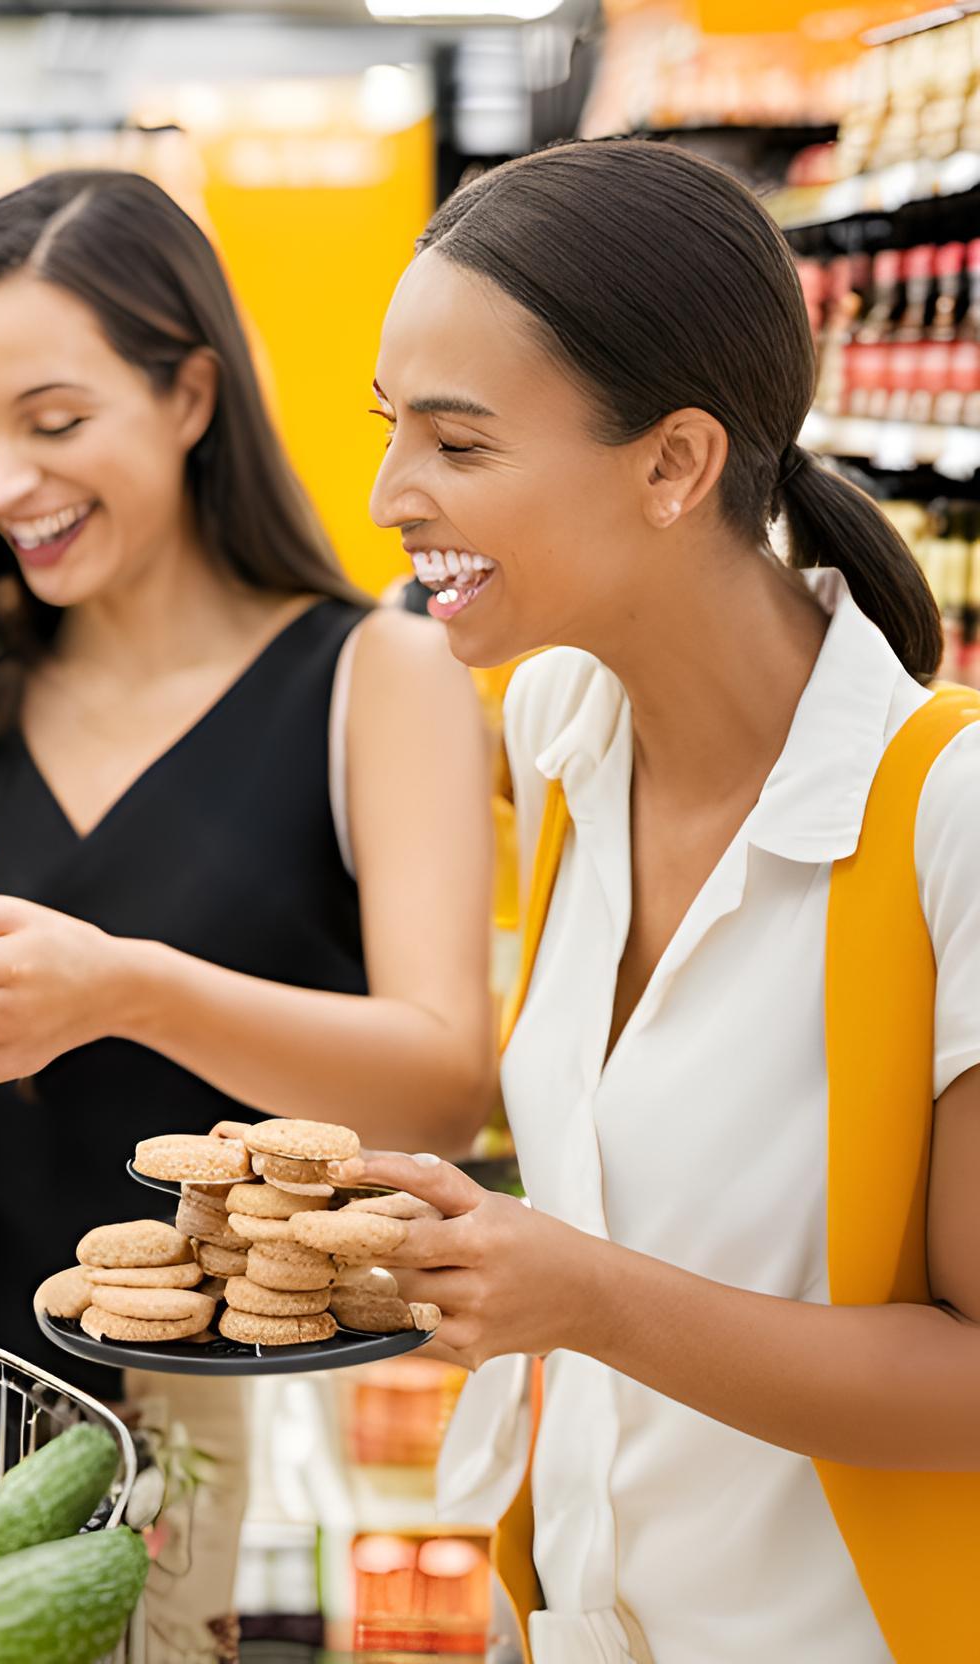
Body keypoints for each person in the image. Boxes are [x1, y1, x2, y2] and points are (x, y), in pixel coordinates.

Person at [0, 170, 496, 1663]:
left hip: (251, 1420)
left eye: (55, 422)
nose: (4, 480)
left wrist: (127, 990)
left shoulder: (373, 678)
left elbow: (446, 1086)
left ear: (191, 393)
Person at [355, 139, 980, 1664]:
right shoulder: (565, 735)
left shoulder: (943, 820)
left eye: (459, 443)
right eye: (391, 430)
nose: (389, 495)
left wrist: (580, 1295)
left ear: (675, 464)